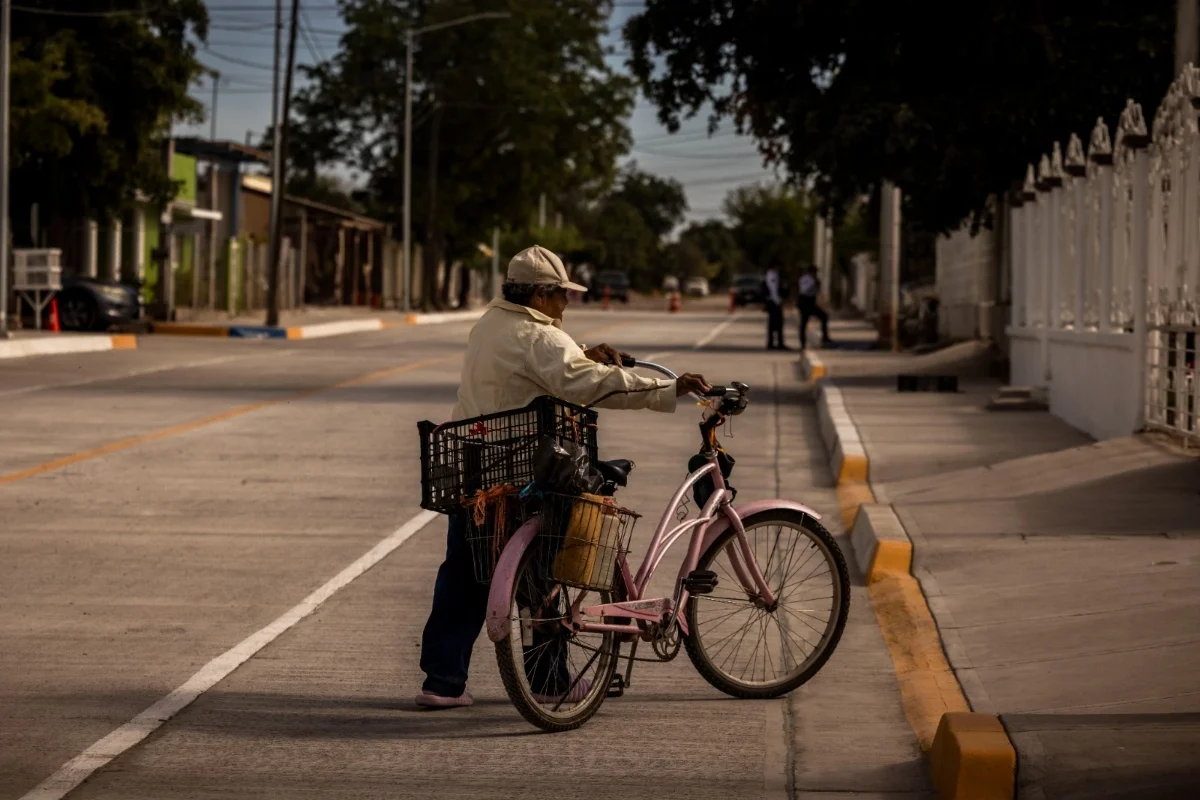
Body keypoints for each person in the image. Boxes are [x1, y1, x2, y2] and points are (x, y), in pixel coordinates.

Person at [416, 244, 711, 709]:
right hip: (523, 471)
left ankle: (442, 681)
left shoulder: (490, 324)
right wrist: (666, 389)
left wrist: (579, 351)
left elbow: (534, 367)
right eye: (560, 296)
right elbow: (587, 383)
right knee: (545, 573)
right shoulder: (540, 338)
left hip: (476, 470)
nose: (566, 305)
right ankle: (549, 680)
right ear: (538, 294)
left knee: (464, 575)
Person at [797, 265, 832, 350]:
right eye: (814, 272)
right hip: (804, 302)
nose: (815, 274)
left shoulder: (814, 280)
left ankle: (825, 337)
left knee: (824, 316)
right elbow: (804, 290)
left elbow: (816, 291)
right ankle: (803, 343)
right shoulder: (805, 279)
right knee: (804, 322)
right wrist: (813, 283)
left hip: (811, 302)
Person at [764, 263, 786, 350]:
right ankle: (773, 343)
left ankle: (778, 342)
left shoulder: (774, 275)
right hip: (773, 302)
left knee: (777, 323)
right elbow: (773, 290)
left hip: (774, 301)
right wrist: (778, 301)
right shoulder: (771, 275)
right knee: (774, 323)